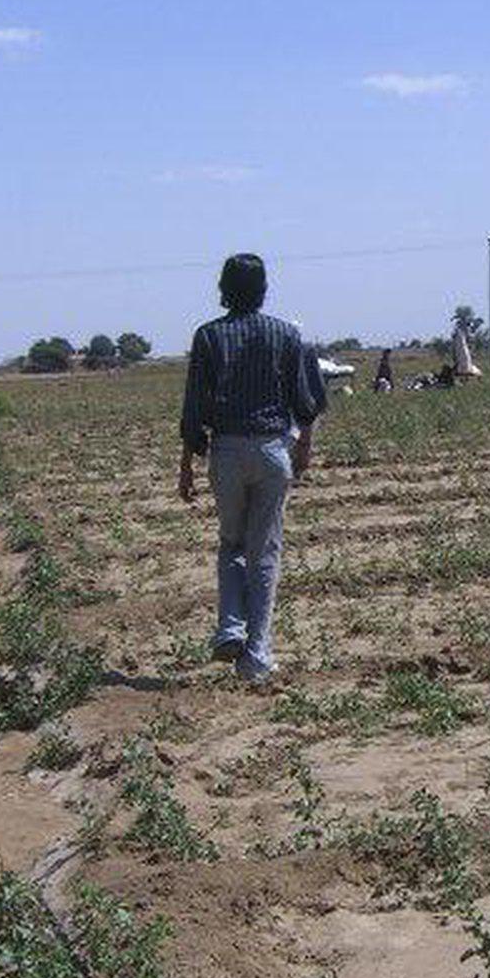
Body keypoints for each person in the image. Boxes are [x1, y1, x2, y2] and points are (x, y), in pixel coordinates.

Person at [178, 253, 327, 683]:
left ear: (223, 288)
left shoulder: (208, 337)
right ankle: (257, 654)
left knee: (231, 544)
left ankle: (230, 626)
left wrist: (186, 465)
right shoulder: (287, 335)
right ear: (264, 289)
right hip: (271, 452)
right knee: (265, 553)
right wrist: (305, 450)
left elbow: (194, 409)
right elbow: (308, 402)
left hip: (225, 452)